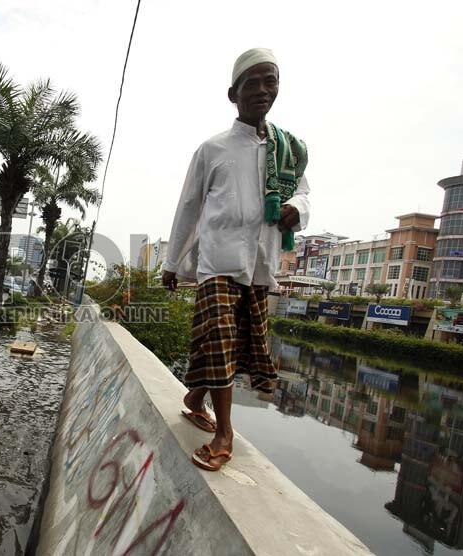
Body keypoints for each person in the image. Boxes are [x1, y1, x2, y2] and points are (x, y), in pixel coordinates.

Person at [161, 48, 310, 472]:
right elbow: (188, 208)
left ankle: (194, 398)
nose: (263, 90)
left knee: (242, 343)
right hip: (217, 261)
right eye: (253, 83)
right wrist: (172, 264)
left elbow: (304, 191)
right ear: (234, 93)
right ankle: (225, 432)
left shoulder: (288, 150)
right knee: (221, 340)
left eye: (271, 81)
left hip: (260, 263)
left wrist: (298, 209)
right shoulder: (213, 149)